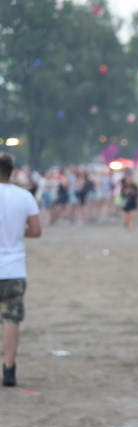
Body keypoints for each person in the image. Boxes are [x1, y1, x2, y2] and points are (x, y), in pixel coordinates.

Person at [0, 152, 42, 387]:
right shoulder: (24, 196)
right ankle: (9, 368)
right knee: (11, 319)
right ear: (13, 172)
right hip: (14, 268)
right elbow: (36, 231)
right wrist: (18, 231)